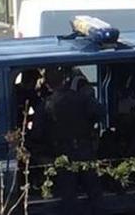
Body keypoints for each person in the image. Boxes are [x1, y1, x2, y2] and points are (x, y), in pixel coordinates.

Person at [41, 67, 105, 215]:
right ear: (64, 80)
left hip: (63, 153)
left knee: (69, 195)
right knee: (94, 192)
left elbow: (39, 133)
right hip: (84, 149)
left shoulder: (47, 104)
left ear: (47, 84)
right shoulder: (80, 97)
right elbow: (100, 113)